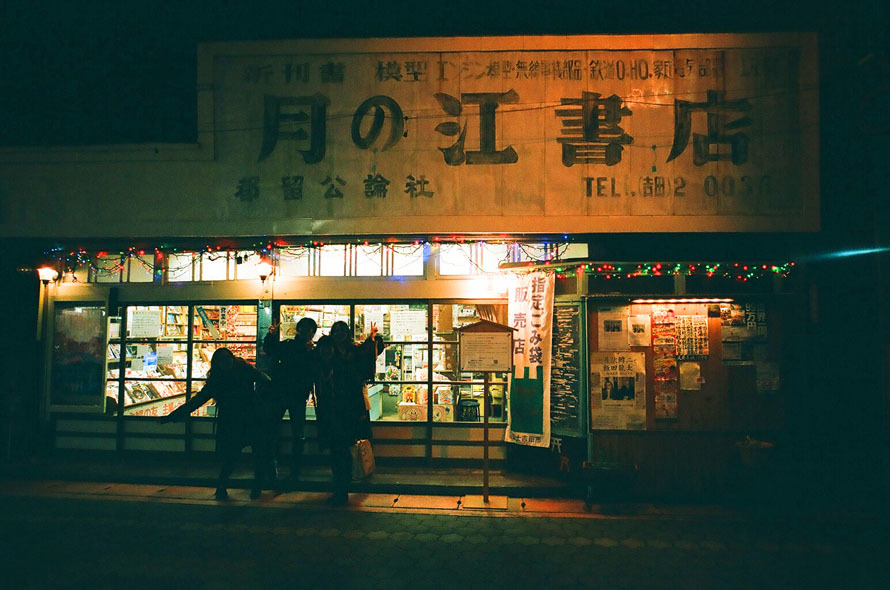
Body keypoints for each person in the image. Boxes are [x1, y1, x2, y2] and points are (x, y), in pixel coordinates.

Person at [160, 347, 274, 500]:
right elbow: (265, 380)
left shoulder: (221, 378)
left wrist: (174, 415)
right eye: (222, 360)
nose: (226, 362)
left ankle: (228, 486)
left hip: (238, 419)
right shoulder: (242, 371)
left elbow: (198, 400)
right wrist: (174, 415)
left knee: (239, 454)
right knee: (249, 453)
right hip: (248, 417)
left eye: (227, 358)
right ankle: (248, 487)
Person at [314, 320, 384, 506]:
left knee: (341, 450)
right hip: (331, 413)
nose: (340, 334)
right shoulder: (326, 361)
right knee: (339, 451)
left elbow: (367, 355)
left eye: (343, 330)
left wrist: (372, 339)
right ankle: (341, 486)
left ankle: (341, 488)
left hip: (345, 412)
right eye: (336, 331)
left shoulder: (349, 357)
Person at [262, 316, 318, 488]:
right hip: (284, 393)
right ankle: (274, 468)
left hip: (295, 395)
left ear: (313, 333)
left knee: (296, 434)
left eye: (309, 330)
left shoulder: (312, 351)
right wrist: (271, 334)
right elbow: (270, 349)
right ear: (298, 330)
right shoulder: (290, 346)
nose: (306, 332)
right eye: (304, 328)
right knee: (277, 431)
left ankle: (294, 470)